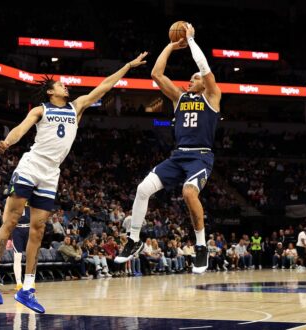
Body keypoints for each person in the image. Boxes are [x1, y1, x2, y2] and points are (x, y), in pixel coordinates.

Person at [0, 52, 148, 313]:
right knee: (11, 222)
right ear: (50, 92)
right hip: (31, 166)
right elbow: (21, 129)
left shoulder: (76, 107)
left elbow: (104, 86)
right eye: (59, 84)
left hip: (51, 173)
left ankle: (28, 288)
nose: (65, 85)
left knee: (38, 230)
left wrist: (127, 65)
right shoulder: (40, 109)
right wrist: (7, 142)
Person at [116, 23, 221, 275]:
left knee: (188, 193)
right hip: (179, 154)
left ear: (203, 83)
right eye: (190, 78)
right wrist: (172, 46)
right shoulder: (179, 98)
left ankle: (200, 246)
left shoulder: (213, 96)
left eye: (194, 78)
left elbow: (204, 69)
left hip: (200, 156)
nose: (191, 80)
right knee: (142, 189)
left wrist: (192, 41)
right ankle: (134, 239)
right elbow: (155, 74)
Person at [12, 204, 31, 291]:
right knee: (17, 257)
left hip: (29, 229)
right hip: (17, 230)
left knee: (31, 257)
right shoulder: (13, 206)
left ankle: (30, 281)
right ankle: (19, 282)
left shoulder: (30, 205)